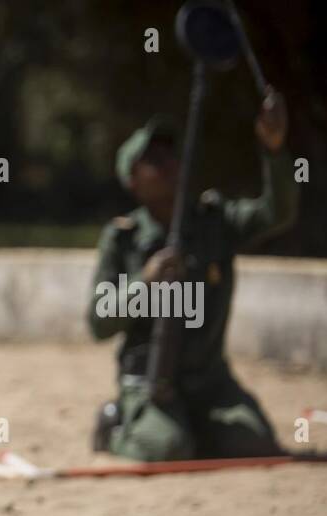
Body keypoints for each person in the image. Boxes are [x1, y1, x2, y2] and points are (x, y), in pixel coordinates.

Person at [87, 91, 298, 461]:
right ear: (132, 180)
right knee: (167, 448)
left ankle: (194, 426)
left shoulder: (215, 221)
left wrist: (275, 151)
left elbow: (277, 213)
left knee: (255, 444)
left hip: (211, 383)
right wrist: (144, 283)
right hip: (150, 383)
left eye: (170, 153)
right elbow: (98, 322)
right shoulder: (123, 240)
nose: (168, 162)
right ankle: (116, 428)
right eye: (153, 159)